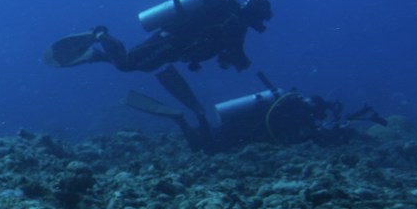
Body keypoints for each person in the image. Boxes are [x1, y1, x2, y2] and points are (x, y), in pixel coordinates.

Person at [44, 0, 273, 74]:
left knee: (140, 66)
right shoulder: (234, 21)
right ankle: (99, 35)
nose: (260, 23)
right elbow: (235, 50)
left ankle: (98, 55)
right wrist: (242, 62)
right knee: (126, 65)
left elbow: (223, 46)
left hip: (173, 47)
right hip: (169, 41)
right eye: (261, 18)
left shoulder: (232, 18)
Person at [126, 83, 381, 154]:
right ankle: (186, 116)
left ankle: (187, 118)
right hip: (243, 131)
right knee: (207, 147)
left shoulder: (294, 108)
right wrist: (349, 132)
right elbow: (321, 137)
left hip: (242, 127)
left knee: (211, 142)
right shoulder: (301, 116)